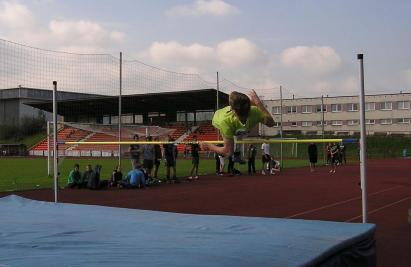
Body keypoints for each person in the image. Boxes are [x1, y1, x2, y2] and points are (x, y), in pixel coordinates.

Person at [200, 90, 275, 158]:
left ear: (233, 110)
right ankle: (237, 152)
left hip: (233, 124)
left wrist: (209, 146)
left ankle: (238, 152)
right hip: (218, 119)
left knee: (238, 133)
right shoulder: (254, 111)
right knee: (235, 133)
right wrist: (258, 103)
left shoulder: (254, 112)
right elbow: (271, 123)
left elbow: (228, 152)